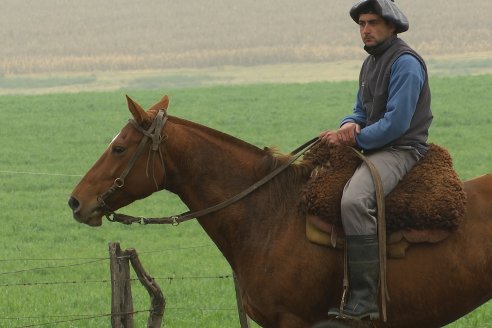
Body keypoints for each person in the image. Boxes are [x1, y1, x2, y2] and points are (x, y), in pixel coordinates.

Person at [320, 0, 433, 321]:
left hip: (401, 149)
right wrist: (346, 125)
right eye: (362, 24)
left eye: (372, 23)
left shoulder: (405, 64)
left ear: (392, 26)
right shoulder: (371, 63)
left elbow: (397, 124)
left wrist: (355, 138)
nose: (365, 30)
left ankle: (365, 298)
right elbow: (360, 111)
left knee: (354, 201)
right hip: (375, 145)